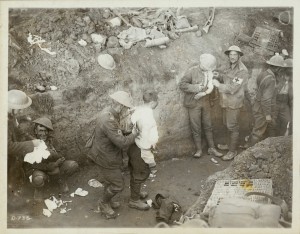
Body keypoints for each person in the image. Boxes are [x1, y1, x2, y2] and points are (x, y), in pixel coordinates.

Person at [87, 91, 139, 219]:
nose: (127, 110)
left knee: (111, 180)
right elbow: (121, 143)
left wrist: (126, 132)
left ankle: (107, 201)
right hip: (105, 157)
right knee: (118, 185)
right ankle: (103, 203)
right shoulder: (108, 120)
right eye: (126, 107)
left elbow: (115, 132)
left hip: (104, 152)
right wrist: (134, 134)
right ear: (120, 106)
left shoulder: (109, 112)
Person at [23, 117, 79, 202]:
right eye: (41, 130)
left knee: (72, 165)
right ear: (35, 131)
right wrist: (51, 165)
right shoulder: (31, 144)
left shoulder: (52, 140)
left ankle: (61, 180)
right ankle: (39, 189)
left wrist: (56, 157)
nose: (44, 133)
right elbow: (32, 164)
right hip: (41, 170)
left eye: (46, 131)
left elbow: (62, 154)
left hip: (55, 168)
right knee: (38, 178)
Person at [179, 53, 223, 158]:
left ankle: (212, 148)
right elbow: (182, 85)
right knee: (196, 127)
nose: (208, 69)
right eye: (206, 67)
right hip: (194, 102)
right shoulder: (192, 72)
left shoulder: (210, 71)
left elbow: (212, 85)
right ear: (201, 64)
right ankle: (199, 150)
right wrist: (196, 88)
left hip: (206, 101)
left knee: (208, 125)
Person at [212, 45, 249, 161]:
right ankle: (229, 145)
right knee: (226, 124)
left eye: (235, 55)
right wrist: (220, 76)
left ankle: (233, 151)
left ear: (239, 56)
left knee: (232, 126)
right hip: (225, 101)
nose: (232, 57)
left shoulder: (242, 71)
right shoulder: (229, 65)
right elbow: (227, 77)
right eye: (230, 55)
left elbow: (233, 88)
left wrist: (218, 85)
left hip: (234, 103)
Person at [7, 89, 42, 207]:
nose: (22, 111)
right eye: (20, 108)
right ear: (11, 106)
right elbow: (8, 146)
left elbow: (20, 132)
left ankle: (15, 196)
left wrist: (35, 141)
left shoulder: (11, 116)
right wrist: (32, 144)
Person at [127, 90, 159, 210]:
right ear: (152, 102)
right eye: (157, 101)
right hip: (141, 147)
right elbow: (146, 135)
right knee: (141, 173)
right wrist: (150, 148)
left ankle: (136, 193)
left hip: (133, 145)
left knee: (135, 172)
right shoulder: (148, 116)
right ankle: (134, 200)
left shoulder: (139, 109)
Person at [243, 53, 284, 148]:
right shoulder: (271, 80)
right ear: (277, 68)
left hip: (257, 106)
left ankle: (248, 146)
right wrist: (268, 115)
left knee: (257, 128)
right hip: (263, 109)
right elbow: (266, 99)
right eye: (280, 68)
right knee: (258, 131)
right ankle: (249, 151)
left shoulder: (263, 74)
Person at [274, 58, 293, 136]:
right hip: (277, 101)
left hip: (286, 104)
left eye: (289, 68)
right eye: (285, 68)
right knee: (274, 121)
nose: (287, 70)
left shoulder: (294, 79)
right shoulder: (279, 76)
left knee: (286, 121)